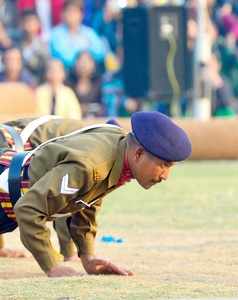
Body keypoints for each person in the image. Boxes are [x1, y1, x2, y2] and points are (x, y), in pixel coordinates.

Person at [0, 111, 192, 277]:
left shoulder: (119, 150)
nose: (166, 175)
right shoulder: (91, 164)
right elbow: (29, 209)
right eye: (164, 165)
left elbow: (85, 199)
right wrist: (53, 265)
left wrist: (87, 255)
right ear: (139, 154)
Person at [0, 116, 88, 260]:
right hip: (11, 147)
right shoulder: (89, 147)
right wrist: (69, 253)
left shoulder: (74, 127)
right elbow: (64, 198)